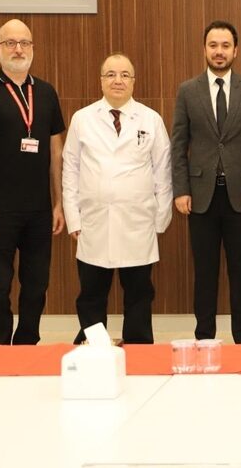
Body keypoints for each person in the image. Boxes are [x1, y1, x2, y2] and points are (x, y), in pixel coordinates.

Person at [0, 19, 66, 345]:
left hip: (38, 211)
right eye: (10, 43)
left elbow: (56, 152)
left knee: (36, 284)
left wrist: (59, 202)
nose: (18, 49)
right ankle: (0, 351)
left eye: (24, 42)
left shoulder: (47, 93)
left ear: (33, 48)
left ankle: (25, 345)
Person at [171, 20, 241, 344]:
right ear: (204, 49)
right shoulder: (188, 90)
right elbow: (178, 144)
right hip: (200, 197)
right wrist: (181, 189)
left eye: (225, 45)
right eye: (213, 45)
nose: (219, 51)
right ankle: (204, 339)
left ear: (235, 50)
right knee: (205, 275)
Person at [62, 54, 172, 344]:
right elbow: (70, 170)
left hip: (138, 222)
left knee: (138, 293)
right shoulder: (82, 119)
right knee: (91, 294)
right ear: (101, 81)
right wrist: (73, 216)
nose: (118, 80)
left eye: (125, 75)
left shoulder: (151, 119)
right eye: (110, 74)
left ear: (134, 81)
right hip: (93, 221)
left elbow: (163, 172)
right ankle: (93, 349)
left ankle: (139, 349)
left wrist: (160, 219)